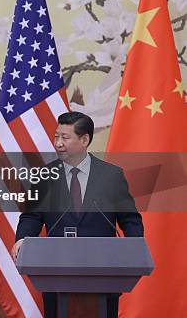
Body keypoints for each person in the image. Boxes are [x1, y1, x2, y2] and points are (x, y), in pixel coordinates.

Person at [11, 111, 143, 318]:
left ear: (84, 140)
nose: (58, 143)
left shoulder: (111, 176)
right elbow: (31, 216)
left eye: (65, 137)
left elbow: (130, 219)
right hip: (56, 268)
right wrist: (22, 239)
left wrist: (135, 248)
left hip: (103, 268)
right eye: (56, 136)